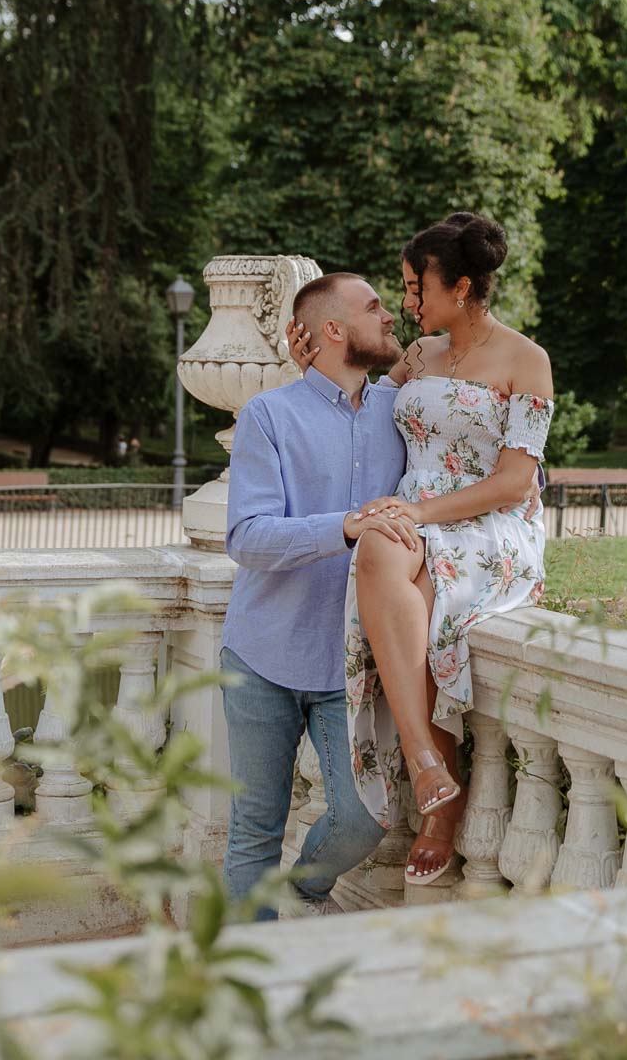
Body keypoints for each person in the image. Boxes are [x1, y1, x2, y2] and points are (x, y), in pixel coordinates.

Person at [309, 213, 554, 888]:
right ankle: (426, 761)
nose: (409, 303)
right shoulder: (418, 357)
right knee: (382, 551)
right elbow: (357, 418)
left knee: (421, 583)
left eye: (418, 288)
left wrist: (417, 511)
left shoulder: (526, 360)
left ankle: (437, 809)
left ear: (464, 285)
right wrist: (316, 357)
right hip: (416, 510)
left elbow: (515, 480)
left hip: (489, 520)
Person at [219, 272, 415, 919]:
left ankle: (303, 891)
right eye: (374, 307)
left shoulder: (402, 413)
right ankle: (248, 976)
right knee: (255, 825)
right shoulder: (268, 415)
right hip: (263, 654)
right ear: (334, 330)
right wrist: (345, 525)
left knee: (366, 815)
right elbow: (247, 535)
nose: (390, 316)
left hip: (351, 664)